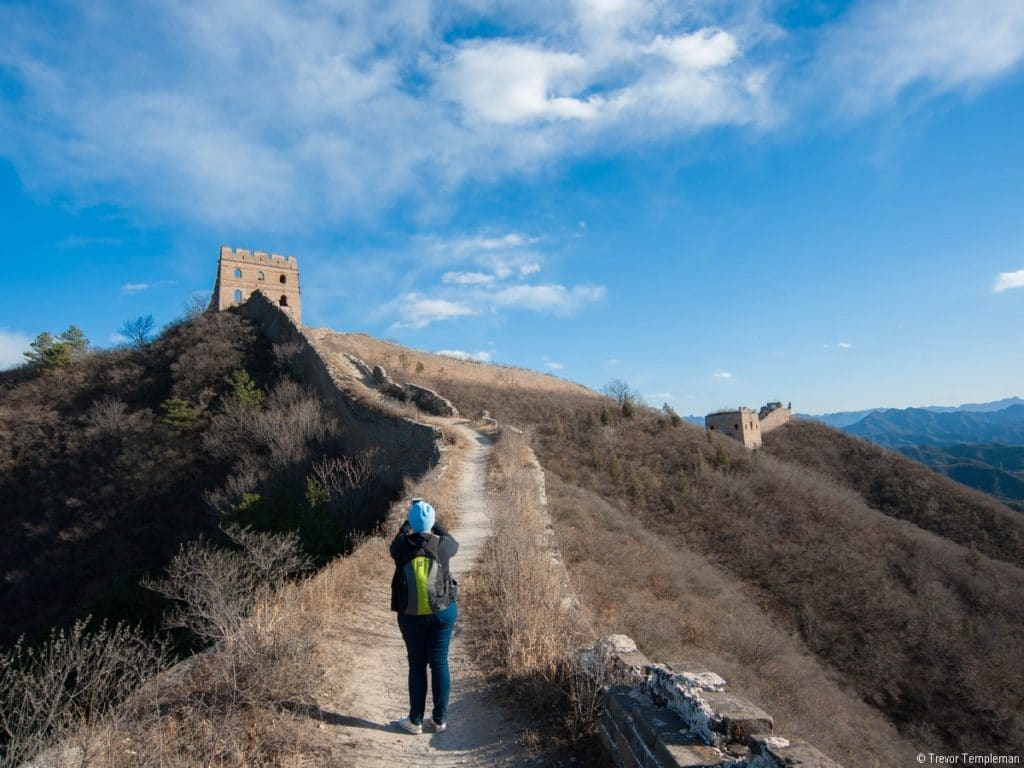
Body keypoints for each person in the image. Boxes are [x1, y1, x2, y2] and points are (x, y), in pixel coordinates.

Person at [389, 498, 459, 734]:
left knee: (417, 665)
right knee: (439, 662)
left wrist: (409, 521)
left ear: (410, 523)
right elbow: (451, 539)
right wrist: (434, 522)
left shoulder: (400, 547)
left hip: (410, 615)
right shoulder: (443, 547)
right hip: (442, 612)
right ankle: (439, 720)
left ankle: (415, 721)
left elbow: (400, 536)